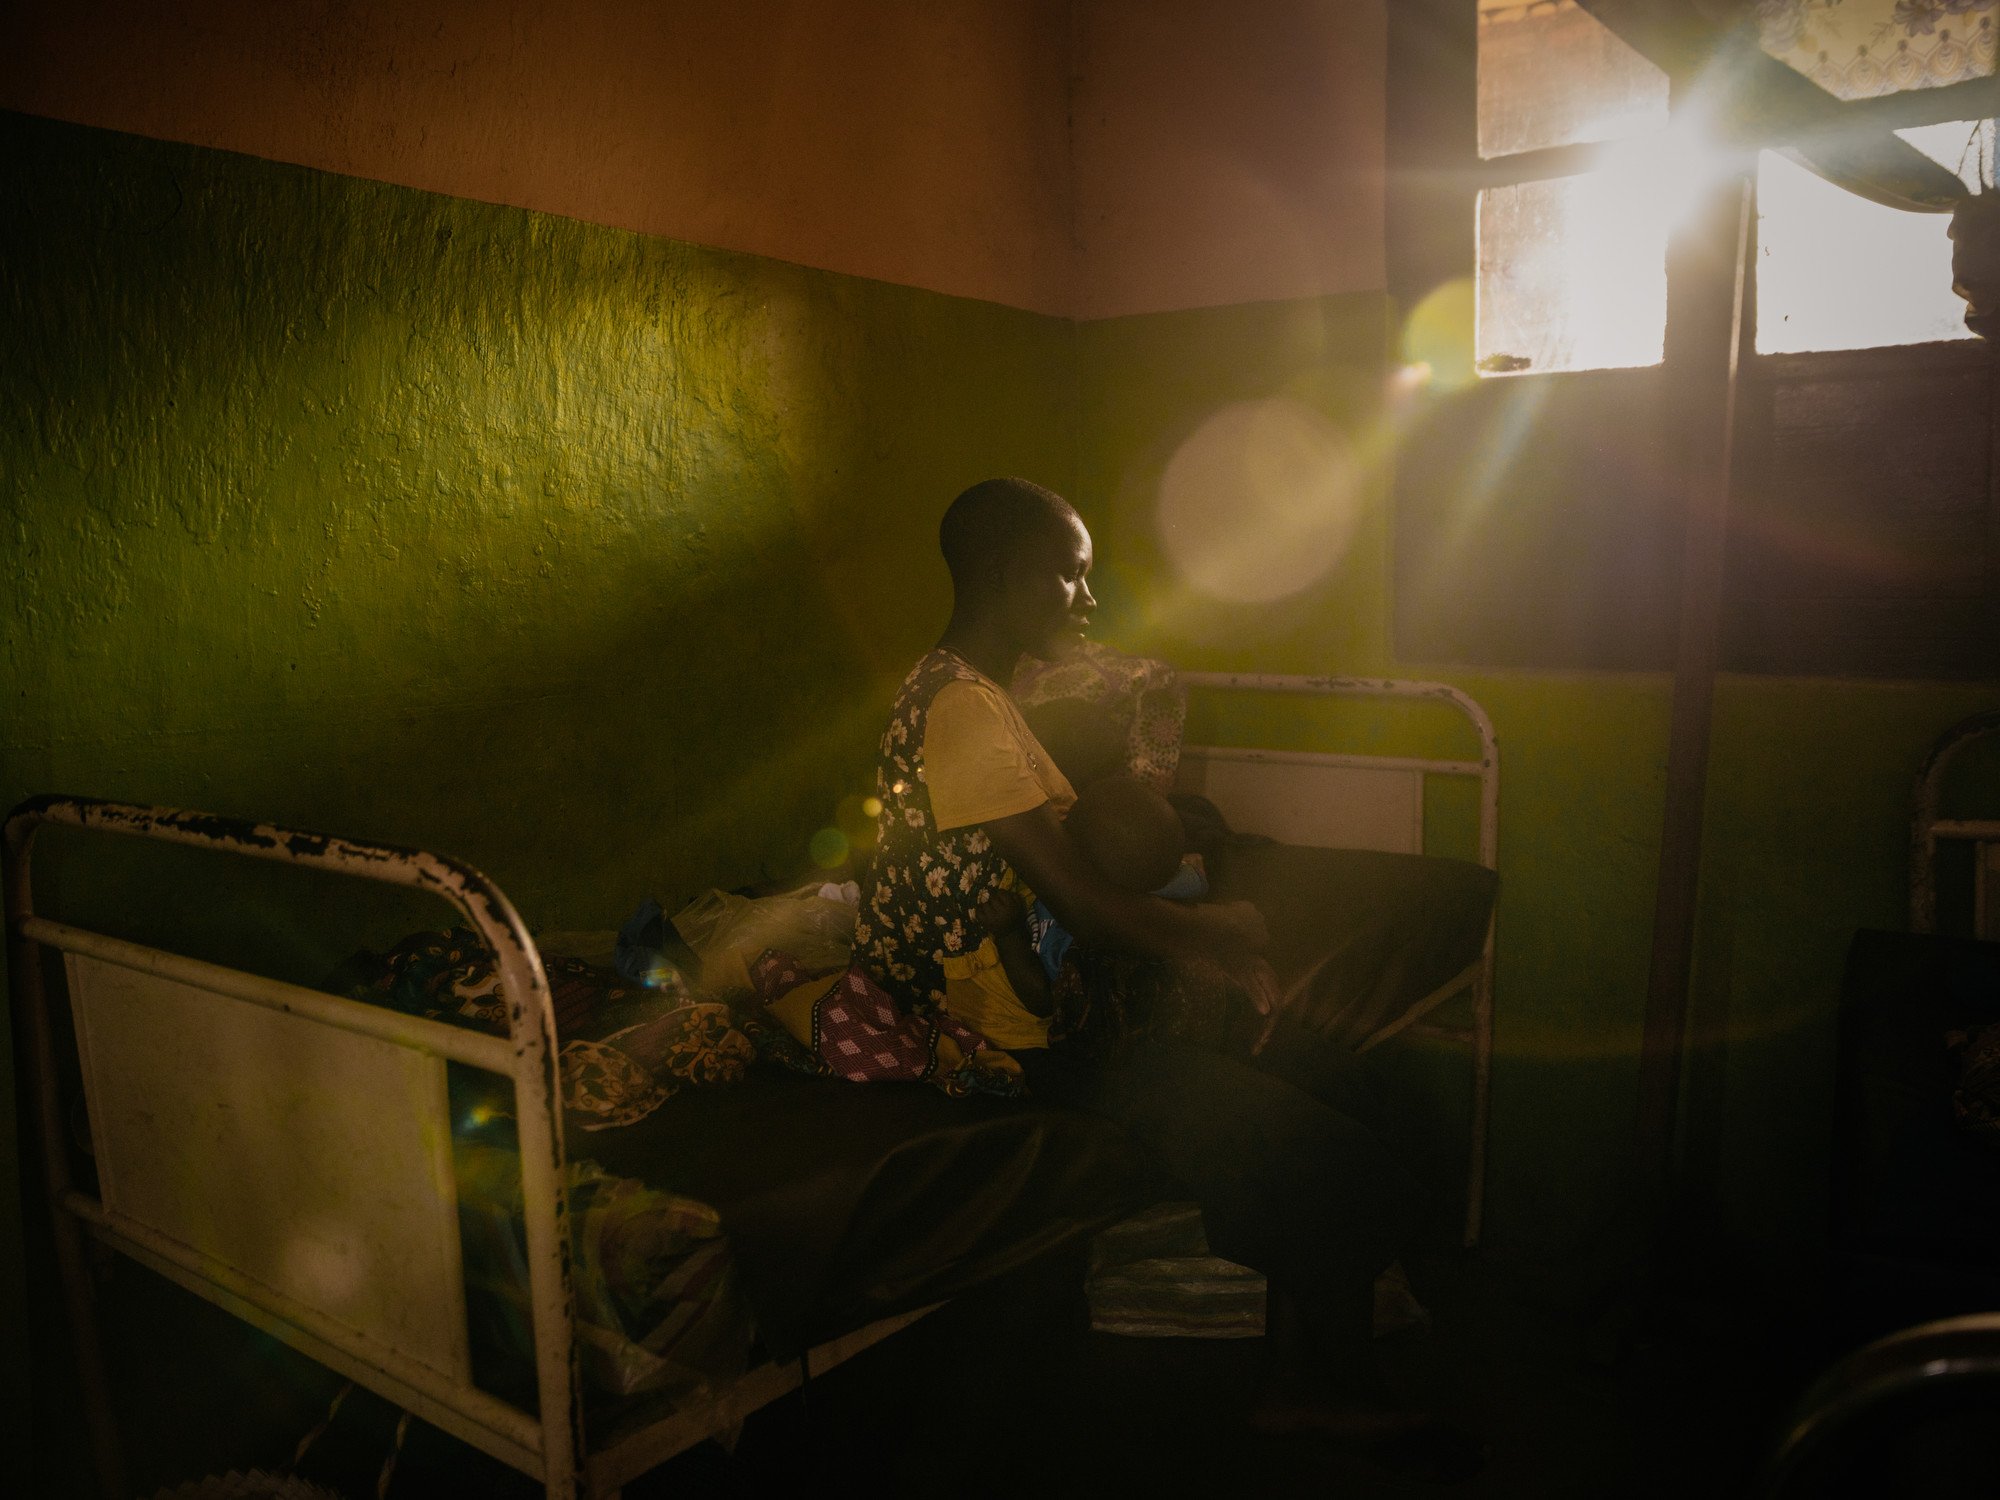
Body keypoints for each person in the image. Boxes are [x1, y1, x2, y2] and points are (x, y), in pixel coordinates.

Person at [853, 477, 1468, 1471]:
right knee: (1339, 1158)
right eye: (1073, 576)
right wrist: (1222, 935)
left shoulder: (967, 692)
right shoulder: (963, 707)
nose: (1088, 600)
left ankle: (1306, 1382)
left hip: (1038, 1008)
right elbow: (1081, 902)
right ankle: (1316, 1393)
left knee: (1335, 1089)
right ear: (1017, 577)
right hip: (1014, 1040)